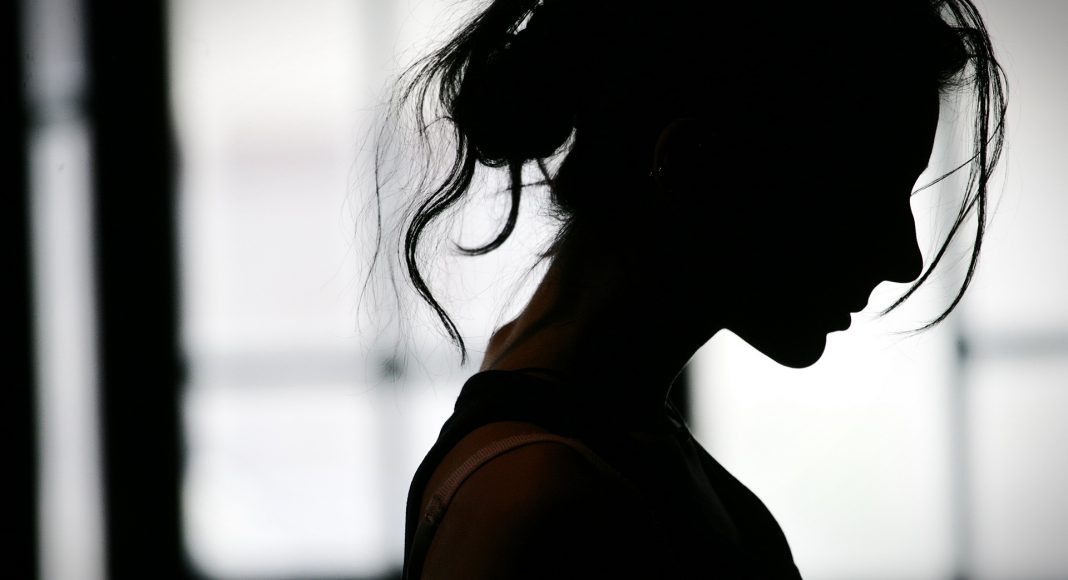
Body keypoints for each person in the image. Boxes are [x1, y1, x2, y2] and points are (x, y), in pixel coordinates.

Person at [365, 0, 1006, 577]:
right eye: (863, 200)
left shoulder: (599, 436)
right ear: (694, 167)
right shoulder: (540, 500)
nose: (904, 259)